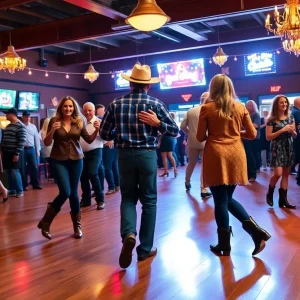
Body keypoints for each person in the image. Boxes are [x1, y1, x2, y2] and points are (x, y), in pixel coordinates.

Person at [100, 64, 179, 269]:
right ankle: (144, 250)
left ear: (130, 83)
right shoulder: (155, 103)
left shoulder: (116, 104)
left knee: (127, 197)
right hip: (147, 155)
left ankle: (129, 234)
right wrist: (157, 124)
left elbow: (104, 135)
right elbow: (174, 131)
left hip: (124, 155)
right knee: (149, 201)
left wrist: (121, 132)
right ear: (148, 86)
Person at [197, 74, 271, 256]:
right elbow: (253, 134)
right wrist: (236, 134)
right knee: (227, 199)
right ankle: (256, 232)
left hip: (215, 154)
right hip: (236, 154)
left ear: (213, 88)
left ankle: (225, 244)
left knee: (220, 200)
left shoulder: (206, 108)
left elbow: (200, 137)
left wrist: (216, 134)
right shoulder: (240, 107)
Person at [37, 96, 100, 240]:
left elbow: (89, 139)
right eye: (65, 106)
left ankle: (77, 226)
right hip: (58, 160)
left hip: (77, 160)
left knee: (73, 194)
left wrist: (96, 130)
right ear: (61, 108)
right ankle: (46, 222)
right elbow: (46, 143)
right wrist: (52, 130)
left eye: (70, 106)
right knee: (65, 191)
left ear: (74, 108)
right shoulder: (54, 121)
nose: (68, 109)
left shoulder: (79, 121)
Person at [266, 95, 297, 209]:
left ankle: (283, 200)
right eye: (281, 103)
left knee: (285, 175)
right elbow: (268, 137)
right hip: (277, 148)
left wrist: (293, 132)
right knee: (278, 173)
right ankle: (270, 192)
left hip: (288, 147)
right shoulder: (271, 120)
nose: (284, 104)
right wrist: (282, 130)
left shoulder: (291, 118)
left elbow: (294, 135)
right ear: (276, 105)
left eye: (285, 102)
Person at [181, 91, 212, 198]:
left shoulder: (191, 111)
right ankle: (204, 189)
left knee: (191, 163)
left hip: (192, 142)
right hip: (205, 142)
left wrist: (190, 133)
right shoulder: (210, 111)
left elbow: (182, 126)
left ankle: (187, 182)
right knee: (205, 165)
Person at [80, 102, 105, 210]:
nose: (88, 112)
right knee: (83, 176)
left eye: (90, 110)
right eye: (85, 110)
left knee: (92, 173)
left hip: (96, 151)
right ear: (82, 111)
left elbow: (105, 139)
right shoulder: (81, 122)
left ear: (94, 111)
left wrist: (99, 129)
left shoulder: (99, 122)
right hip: (82, 153)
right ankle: (86, 200)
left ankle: (100, 200)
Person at [1, 108, 26, 198]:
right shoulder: (9, 126)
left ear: (13, 114)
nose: (6, 116)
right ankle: (12, 190)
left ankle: (20, 190)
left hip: (14, 153)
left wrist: (17, 153)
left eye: (7, 114)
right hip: (6, 153)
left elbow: (22, 140)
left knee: (15, 171)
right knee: (7, 171)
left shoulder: (20, 126)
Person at [21, 110, 42, 190]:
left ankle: (35, 184)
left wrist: (38, 150)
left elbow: (36, 139)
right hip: (23, 149)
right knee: (23, 167)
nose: (28, 118)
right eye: (26, 116)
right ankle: (24, 185)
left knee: (34, 167)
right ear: (23, 117)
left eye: (29, 117)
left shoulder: (33, 126)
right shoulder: (20, 126)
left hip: (31, 149)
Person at [243, 100, 261, 181]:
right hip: (246, 138)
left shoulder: (256, 114)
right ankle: (247, 175)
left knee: (251, 156)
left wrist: (245, 125)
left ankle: (253, 175)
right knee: (247, 156)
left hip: (254, 138)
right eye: (248, 105)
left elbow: (256, 125)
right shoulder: (245, 114)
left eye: (251, 105)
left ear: (254, 106)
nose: (249, 107)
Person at [291, 97, 300, 185]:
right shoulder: (297, 112)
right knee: (297, 154)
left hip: (295, 137)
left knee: (297, 154)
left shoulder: (293, 111)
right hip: (298, 137)